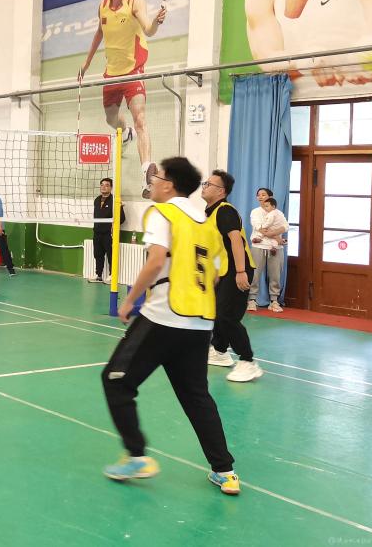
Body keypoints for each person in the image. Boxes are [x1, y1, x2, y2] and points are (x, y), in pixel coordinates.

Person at [103, 157, 240, 495]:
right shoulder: (206, 223)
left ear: (169, 185)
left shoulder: (162, 213)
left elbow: (154, 261)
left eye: (157, 176)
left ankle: (137, 456)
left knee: (116, 380)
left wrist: (129, 300)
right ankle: (225, 471)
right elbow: (217, 273)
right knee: (196, 397)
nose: (152, 181)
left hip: (163, 316)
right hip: (199, 323)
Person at [79, 0, 167, 198]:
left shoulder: (135, 1)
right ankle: (125, 132)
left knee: (140, 119)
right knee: (111, 119)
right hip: (111, 74)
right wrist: (86, 64)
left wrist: (157, 22)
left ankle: (146, 173)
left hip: (133, 71)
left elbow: (148, 29)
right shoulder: (103, 6)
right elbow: (99, 33)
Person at [201, 170, 264, 383]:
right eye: (205, 183)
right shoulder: (210, 212)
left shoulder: (225, 211)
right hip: (223, 272)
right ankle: (219, 351)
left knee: (227, 316)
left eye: (209, 184)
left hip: (237, 270)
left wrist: (240, 272)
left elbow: (236, 241)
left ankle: (248, 361)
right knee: (217, 313)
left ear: (221, 191)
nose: (204, 187)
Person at [249, 191, 289, 313]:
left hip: (275, 247)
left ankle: (274, 301)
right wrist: (277, 237)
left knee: (275, 274)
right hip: (259, 245)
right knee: (255, 274)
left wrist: (276, 238)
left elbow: (285, 226)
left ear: (270, 197)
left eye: (263, 195)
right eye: (258, 195)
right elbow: (259, 228)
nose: (260, 197)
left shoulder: (278, 213)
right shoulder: (255, 212)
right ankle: (252, 300)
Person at [91, 177, 125, 283]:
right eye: (102, 185)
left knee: (111, 255)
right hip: (97, 233)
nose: (103, 187)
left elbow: (122, 218)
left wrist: (112, 226)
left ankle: (112, 275)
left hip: (109, 234)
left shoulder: (115, 200)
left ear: (111, 188)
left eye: (106, 185)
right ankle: (98, 275)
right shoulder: (97, 200)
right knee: (98, 255)